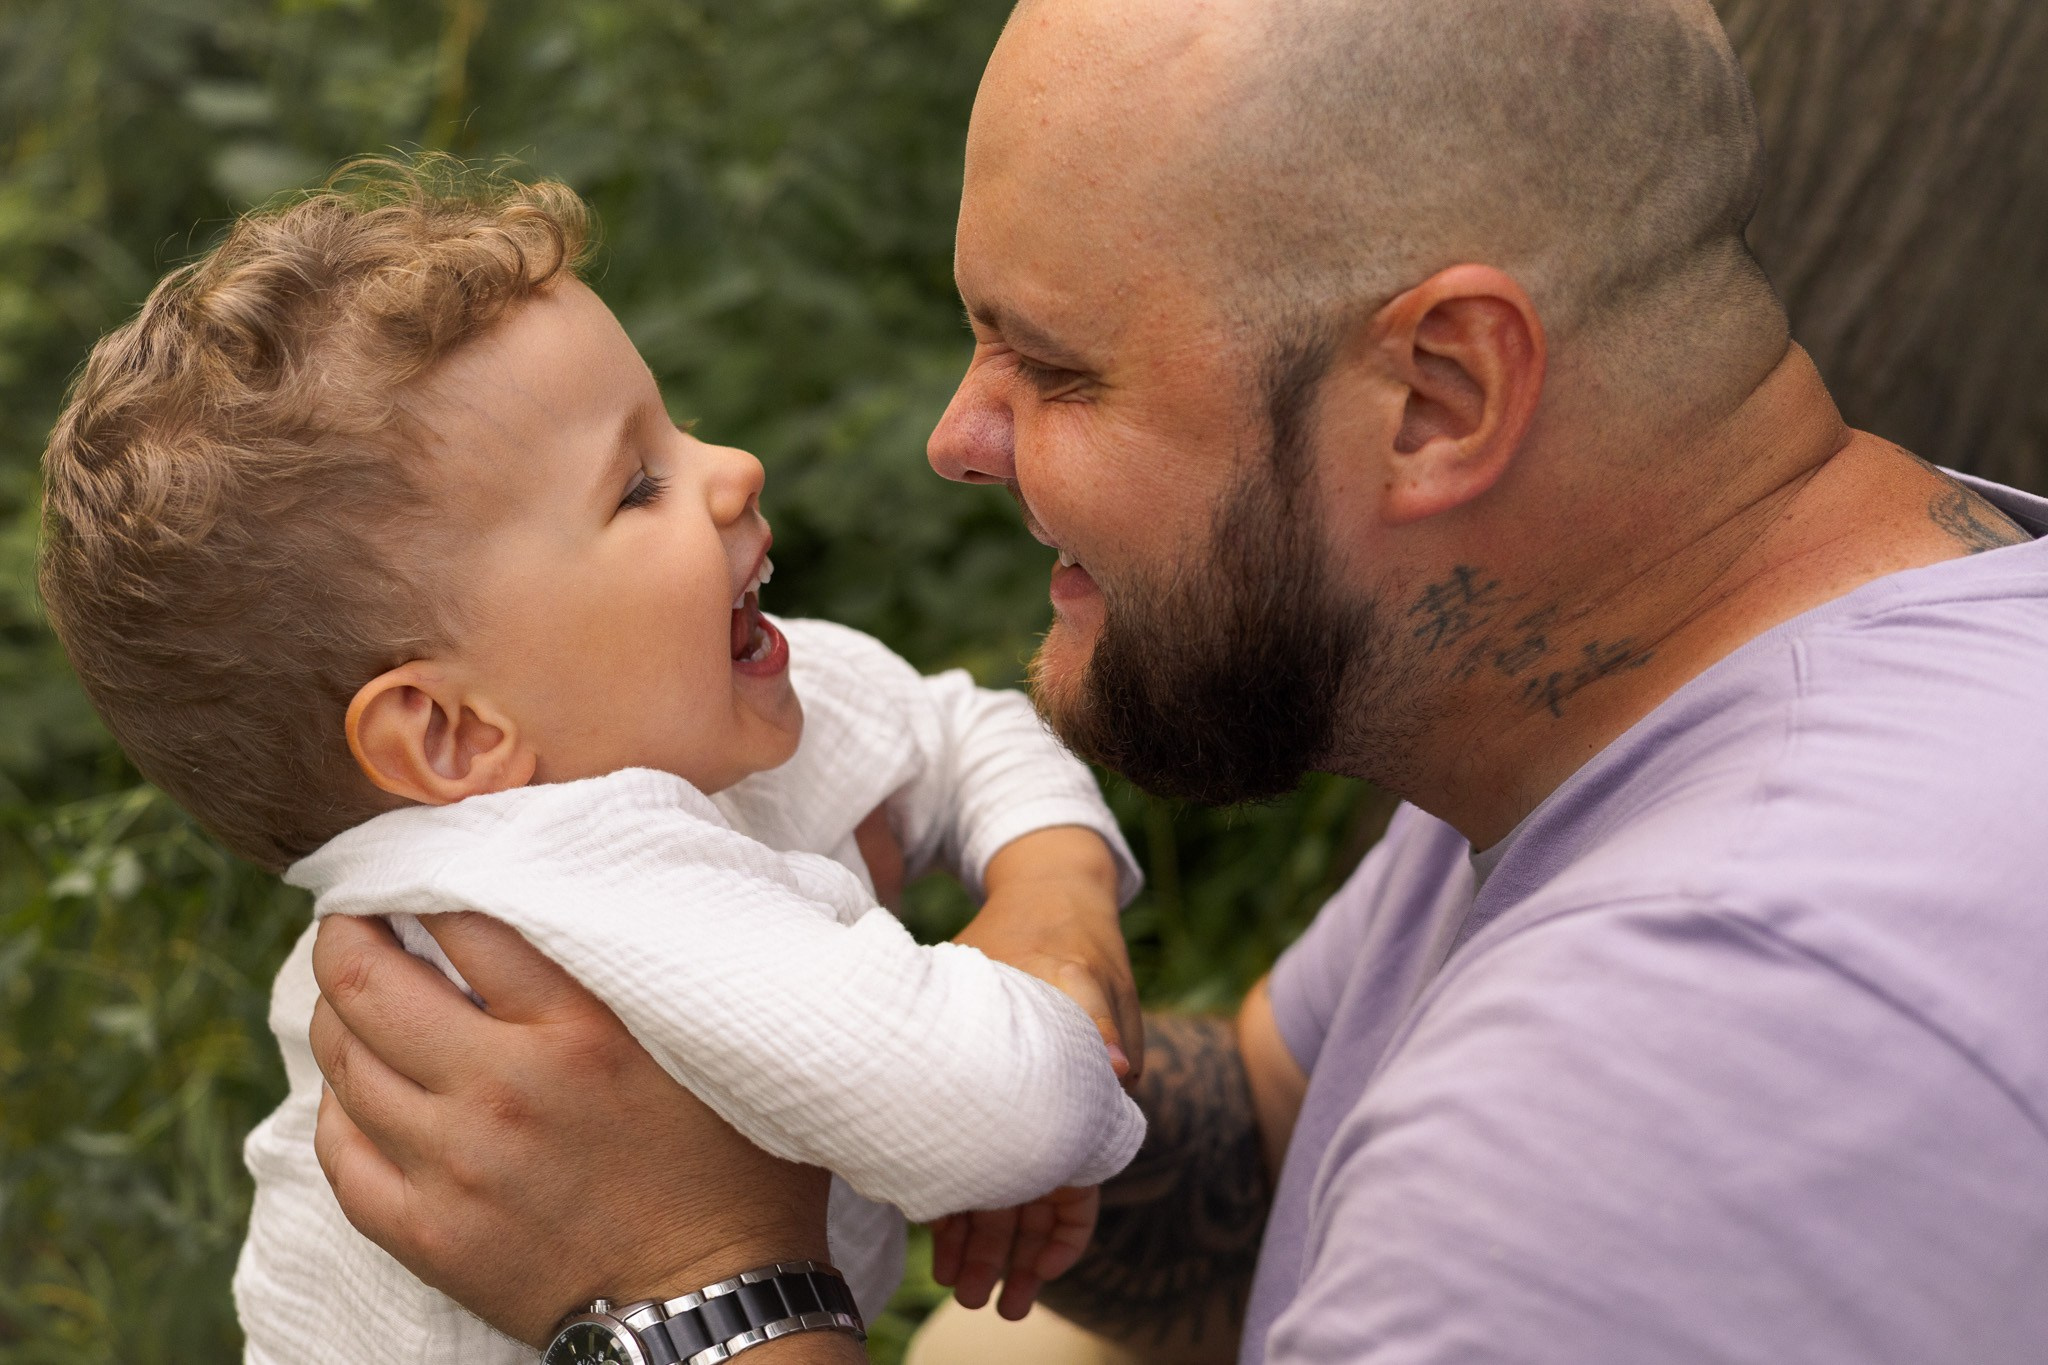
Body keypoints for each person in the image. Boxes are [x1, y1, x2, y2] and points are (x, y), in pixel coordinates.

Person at [296, 0, 2048, 1361]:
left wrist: (691, 1284)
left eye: (1051, 367)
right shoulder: (1694, 695)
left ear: (1436, 395)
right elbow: (1283, 1147)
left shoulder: (1686, 1053)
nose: (956, 439)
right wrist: (815, 1070)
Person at [36, 162, 1156, 1363]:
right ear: (453, 735)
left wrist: (1051, 895)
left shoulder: (676, 709)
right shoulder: (556, 886)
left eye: (671, 427)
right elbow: (1018, 1107)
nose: (733, 470)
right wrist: (1032, 1041)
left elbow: (955, 730)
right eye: (636, 487)